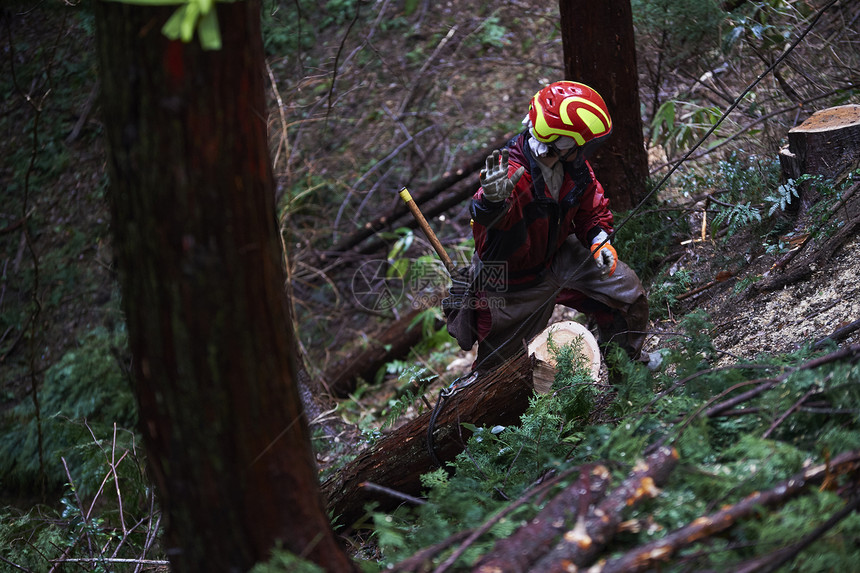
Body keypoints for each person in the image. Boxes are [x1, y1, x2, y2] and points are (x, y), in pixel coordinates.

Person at [443, 80, 658, 373]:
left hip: (559, 254)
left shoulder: (573, 165)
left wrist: (597, 239)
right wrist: (492, 203)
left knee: (625, 294)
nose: (586, 151)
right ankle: (494, 415)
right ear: (562, 141)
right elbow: (487, 229)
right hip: (511, 279)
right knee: (499, 370)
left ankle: (629, 373)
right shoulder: (511, 175)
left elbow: (590, 206)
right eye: (581, 145)